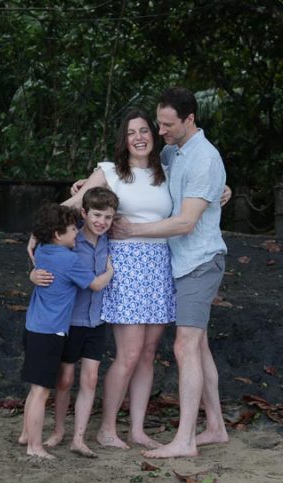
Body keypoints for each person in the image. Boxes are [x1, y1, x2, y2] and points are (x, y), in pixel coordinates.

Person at [31, 108, 178, 450]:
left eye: (144, 130)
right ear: (123, 140)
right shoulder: (110, 171)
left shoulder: (168, 171)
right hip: (124, 266)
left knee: (148, 352)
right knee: (127, 353)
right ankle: (107, 428)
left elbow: (201, 190)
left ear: (154, 135)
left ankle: (137, 429)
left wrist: (224, 190)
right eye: (131, 132)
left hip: (158, 266)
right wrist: (39, 233)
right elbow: (75, 205)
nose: (139, 137)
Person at [111, 87, 229, 459]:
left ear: (189, 120)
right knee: (200, 347)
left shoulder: (204, 159)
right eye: (158, 123)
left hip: (199, 262)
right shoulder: (173, 151)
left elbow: (186, 222)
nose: (159, 131)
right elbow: (136, 170)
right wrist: (84, 187)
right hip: (179, 264)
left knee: (184, 346)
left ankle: (185, 440)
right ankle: (215, 428)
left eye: (167, 124)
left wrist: (133, 230)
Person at [18, 203, 114, 459]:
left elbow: (40, 240)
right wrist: (110, 272)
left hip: (34, 326)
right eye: (73, 229)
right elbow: (94, 284)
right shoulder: (69, 259)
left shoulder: (41, 250)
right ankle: (35, 447)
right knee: (41, 391)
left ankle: (26, 434)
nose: (77, 233)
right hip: (51, 331)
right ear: (59, 235)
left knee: (34, 387)